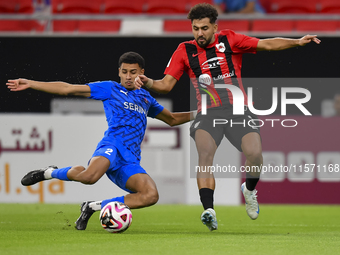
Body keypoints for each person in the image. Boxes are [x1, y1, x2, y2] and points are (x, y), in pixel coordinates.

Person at [134, 3, 320, 231]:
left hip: (239, 110)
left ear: (215, 27)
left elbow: (268, 44)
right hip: (207, 112)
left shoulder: (230, 40)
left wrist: (297, 42)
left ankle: (249, 189)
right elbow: (165, 85)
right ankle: (208, 210)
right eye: (195, 29)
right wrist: (149, 82)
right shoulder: (184, 50)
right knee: (205, 153)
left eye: (204, 28)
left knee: (255, 154)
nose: (199, 33)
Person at [6, 51, 195, 231]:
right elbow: (68, 88)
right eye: (124, 72)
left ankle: (92, 206)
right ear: (119, 72)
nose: (128, 76)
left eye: (133, 72)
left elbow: (171, 119)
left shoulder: (146, 98)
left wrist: (200, 113)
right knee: (89, 177)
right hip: (112, 146)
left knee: (150, 195)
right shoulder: (110, 88)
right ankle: (49, 172)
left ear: (142, 73)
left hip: (130, 160)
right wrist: (31, 83)